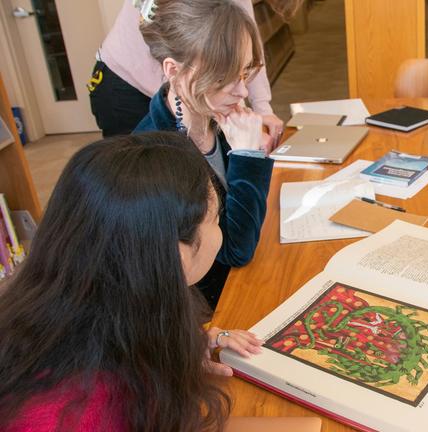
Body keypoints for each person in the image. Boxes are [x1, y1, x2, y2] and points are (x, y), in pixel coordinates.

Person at [0, 132, 262, 431]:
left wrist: (188, 346)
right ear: (175, 256)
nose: (221, 230)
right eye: (216, 218)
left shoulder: (83, 306)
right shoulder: (68, 414)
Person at [133, 0, 275, 309]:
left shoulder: (219, 115)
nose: (242, 92)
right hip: (209, 308)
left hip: (240, 285)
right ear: (174, 70)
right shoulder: (156, 155)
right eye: (224, 78)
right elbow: (235, 249)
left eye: (245, 71)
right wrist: (248, 156)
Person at [88, 0, 284, 138]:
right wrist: (232, 102)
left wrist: (262, 109)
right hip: (126, 83)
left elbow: (245, 37)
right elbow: (177, 47)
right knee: (147, 181)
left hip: (181, 83)